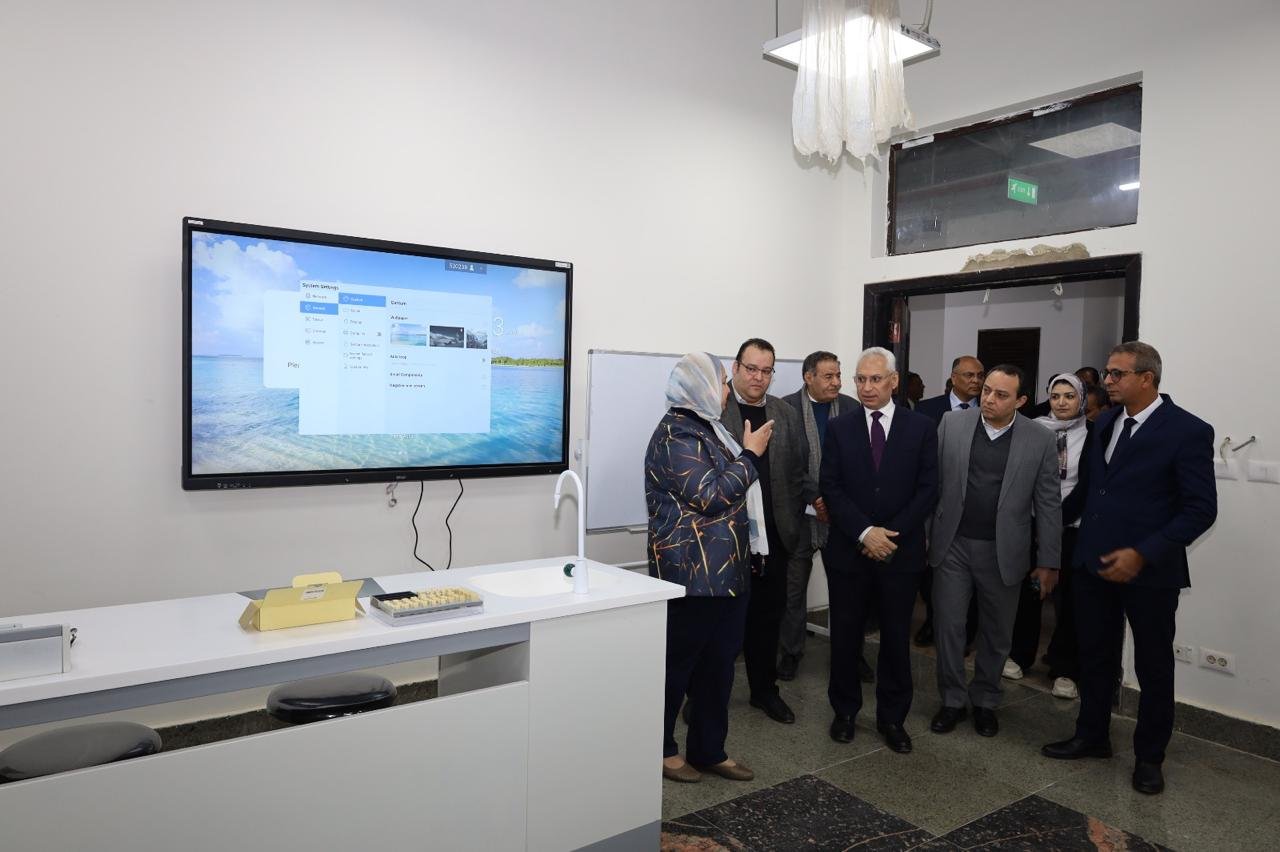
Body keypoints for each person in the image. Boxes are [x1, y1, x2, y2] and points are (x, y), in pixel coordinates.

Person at [1043, 342, 1217, 796]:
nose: (1108, 381)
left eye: (1117, 374)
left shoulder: (1188, 430)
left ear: (1147, 378)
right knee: (1095, 655)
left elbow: (1200, 509)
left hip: (1150, 572)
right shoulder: (1104, 424)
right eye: (1107, 373)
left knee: (1153, 665)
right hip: (1093, 563)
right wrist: (1046, 527)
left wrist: (1143, 553)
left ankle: (1150, 757)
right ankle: (1092, 735)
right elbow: (1090, 492)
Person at [646, 352, 773, 784]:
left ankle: (708, 749)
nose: (726, 390)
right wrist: (751, 455)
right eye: (721, 381)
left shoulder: (709, 428)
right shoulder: (675, 434)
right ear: (697, 385)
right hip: (691, 576)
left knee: (718, 667)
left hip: (727, 573)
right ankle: (662, 749)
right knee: (677, 667)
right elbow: (711, 496)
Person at [928, 364, 1062, 738]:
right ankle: (952, 700)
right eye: (986, 390)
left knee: (996, 632)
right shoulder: (952, 424)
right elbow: (931, 483)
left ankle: (986, 700)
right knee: (949, 626)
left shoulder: (1039, 439)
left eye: (1001, 395)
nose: (988, 399)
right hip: (952, 544)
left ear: (1020, 400)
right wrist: (923, 535)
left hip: (1004, 550)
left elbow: (1048, 502)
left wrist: (1049, 560)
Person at [820, 348, 938, 752]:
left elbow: (928, 489)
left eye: (875, 379)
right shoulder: (840, 428)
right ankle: (844, 712)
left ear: (893, 380)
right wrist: (865, 532)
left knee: (895, 639)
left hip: (900, 554)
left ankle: (892, 718)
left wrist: (888, 535)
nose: (867, 387)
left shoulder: (921, 428)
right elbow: (830, 486)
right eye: (860, 379)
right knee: (845, 637)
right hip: (848, 552)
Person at [721, 338, 813, 724]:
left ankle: (764, 690)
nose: (758, 377)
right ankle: (705, 694)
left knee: (767, 619)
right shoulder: (715, 409)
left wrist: (793, 521)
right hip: (726, 538)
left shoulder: (784, 413)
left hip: (774, 538)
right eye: (751, 368)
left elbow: (798, 470)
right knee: (722, 625)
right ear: (735, 368)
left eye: (766, 370)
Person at [778, 351, 873, 685]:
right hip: (799, 518)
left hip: (841, 519)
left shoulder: (851, 408)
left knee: (848, 594)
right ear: (809, 377)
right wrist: (815, 497)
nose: (836, 382)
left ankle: (852, 655)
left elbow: (860, 462)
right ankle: (791, 653)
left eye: (838, 375)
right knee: (793, 593)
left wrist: (833, 501)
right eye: (828, 376)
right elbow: (785, 462)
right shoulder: (785, 408)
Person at [1005, 374, 1092, 699]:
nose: (1062, 402)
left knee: (1069, 600)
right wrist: (1039, 520)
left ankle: (1065, 668)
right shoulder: (1031, 429)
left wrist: (1055, 520)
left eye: (1070, 396)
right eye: (1056, 396)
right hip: (1031, 524)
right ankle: (1019, 655)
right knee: (1028, 593)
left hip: (1071, 527)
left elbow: (1088, 485)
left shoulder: (1093, 434)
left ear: (1082, 399)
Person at [914, 356, 986, 647]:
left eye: (980, 375)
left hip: (974, 509)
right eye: (969, 375)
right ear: (953, 378)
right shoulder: (927, 409)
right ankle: (933, 623)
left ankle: (968, 632)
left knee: (973, 576)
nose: (976, 381)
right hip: (937, 504)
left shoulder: (989, 410)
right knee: (934, 573)